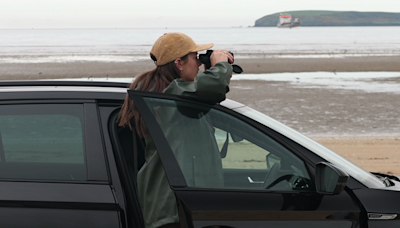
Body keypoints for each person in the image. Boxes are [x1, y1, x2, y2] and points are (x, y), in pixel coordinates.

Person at [118, 32, 233, 228]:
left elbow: (202, 97)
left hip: (176, 207)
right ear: (179, 63)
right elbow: (212, 88)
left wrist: (209, 69)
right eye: (195, 58)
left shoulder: (167, 96)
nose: (198, 64)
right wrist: (221, 65)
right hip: (173, 211)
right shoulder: (168, 99)